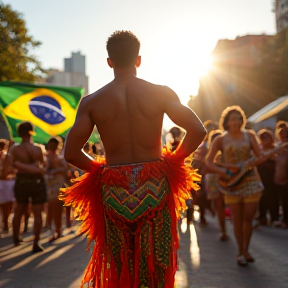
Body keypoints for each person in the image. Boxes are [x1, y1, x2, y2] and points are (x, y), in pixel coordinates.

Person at [61, 30, 206, 287]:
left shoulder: (92, 102)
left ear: (109, 61)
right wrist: (173, 161)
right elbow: (197, 130)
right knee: (156, 264)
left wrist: (100, 169)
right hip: (155, 185)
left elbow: (71, 153)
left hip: (113, 188)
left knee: (120, 265)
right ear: (138, 59)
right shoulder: (160, 93)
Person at [206, 106, 263, 267]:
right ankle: (240, 251)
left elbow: (260, 157)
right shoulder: (220, 140)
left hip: (250, 179)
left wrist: (257, 160)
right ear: (227, 122)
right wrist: (222, 171)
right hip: (231, 183)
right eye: (233, 118)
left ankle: (246, 249)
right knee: (237, 218)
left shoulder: (250, 136)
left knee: (248, 217)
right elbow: (209, 161)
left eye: (239, 117)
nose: (236, 121)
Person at [4, 122, 47, 252]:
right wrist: (31, 168)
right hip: (37, 182)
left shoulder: (15, 150)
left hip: (22, 181)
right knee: (37, 213)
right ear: (31, 132)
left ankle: (17, 238)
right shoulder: (38, 148)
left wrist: (22, 167)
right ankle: (36, 242)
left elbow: (8, 169)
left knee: (19, 211)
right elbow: (42, 168)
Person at [204, 130, 228, 241]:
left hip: (227, 181)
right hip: (214, 181)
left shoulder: (228, 152)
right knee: (219, 208)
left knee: (221, 208)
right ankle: (223, 231)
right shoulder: (211, 153)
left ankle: (224, 231)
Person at [45, 137, 67, 241]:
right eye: (51, 145)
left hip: (57, 187)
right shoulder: (44, 157)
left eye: (54, 145)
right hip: (47, 187)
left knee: (58, 209)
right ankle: (51, 230)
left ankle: (58, 229)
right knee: (49, 209)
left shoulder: (61, 158)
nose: (52, 147)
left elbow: (65, 170)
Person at [257, 129, 278, 226]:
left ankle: (274, 217)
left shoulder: (276, 148)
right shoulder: (258, 149)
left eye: (266, 136)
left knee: (273, 197)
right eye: (262, 137)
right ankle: (262, 217)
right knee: (262, 197)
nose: (264, 139)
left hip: (273, 176)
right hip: (261, 176)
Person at [274, 126, 288, 228]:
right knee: (282, 200)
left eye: (286, 133)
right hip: (278, 178)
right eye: (281, 133)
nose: (284, 135)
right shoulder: (277, 147)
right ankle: (282, 219)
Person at [0, 140, 15, 233]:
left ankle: (5, 222)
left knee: (8, 205)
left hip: (8, 182)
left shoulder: (8, 157)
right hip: (2, 183)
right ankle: (4, 222)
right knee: (3, 205)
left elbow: (13, 169)